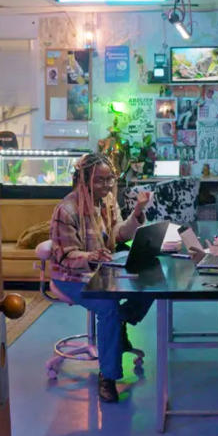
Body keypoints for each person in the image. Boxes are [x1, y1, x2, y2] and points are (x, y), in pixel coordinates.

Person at [49, 153, 154, 402]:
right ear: (83, 180)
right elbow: (65, 257)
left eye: (110, 180)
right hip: (72, 276)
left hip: (101, 270)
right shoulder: (66, 210)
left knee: (149, 282)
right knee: (108, 307)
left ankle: (120, 322)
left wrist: (138, 212)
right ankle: (108, 377)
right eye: (100, 181)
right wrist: (92, 255)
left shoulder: (106, 202)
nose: (107, 186)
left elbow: (118, 234)